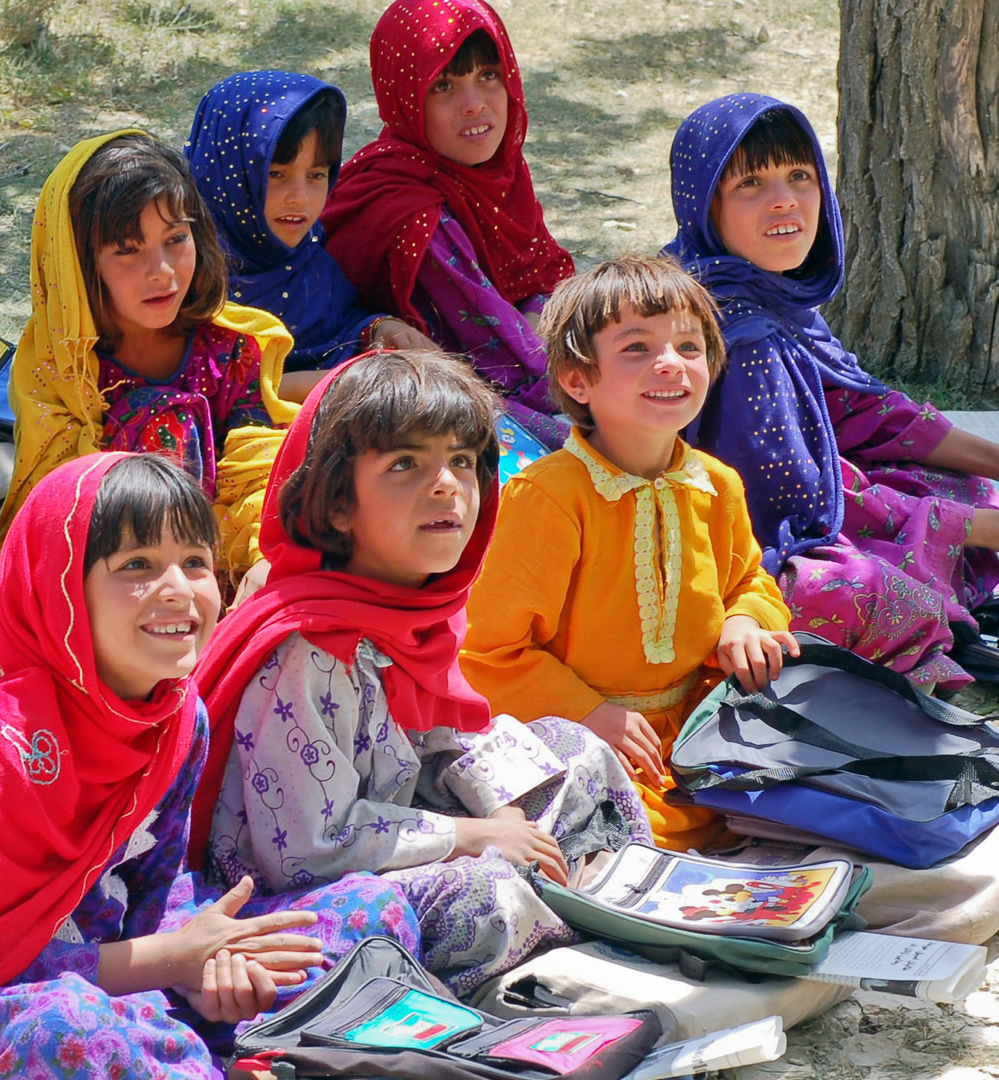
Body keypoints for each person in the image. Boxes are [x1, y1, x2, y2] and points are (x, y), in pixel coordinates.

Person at [0, 452, 419, 1078]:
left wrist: (216, 967)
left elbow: (157, 888)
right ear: (59, 591)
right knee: (66, 1034)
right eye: (136, 565)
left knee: (369, 913)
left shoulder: (180, 716)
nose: (179, 589)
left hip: (134, 961)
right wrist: (174, 961)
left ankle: (212, 1044)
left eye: (195, 562)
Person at [191, 350, 653, 995]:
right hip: (297, 889)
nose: (446, 485)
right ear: (336, 503)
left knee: (578, 754)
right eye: (405, 464)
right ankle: (554, 943)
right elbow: (303, 849)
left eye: (462, 461)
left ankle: (617, 910)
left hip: (394, 819)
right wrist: (472, 835)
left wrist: (503, 811)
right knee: (485, 892)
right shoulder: (310, 648)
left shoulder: (416, 609)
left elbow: (433, 743)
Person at [666, 94, 999, 690]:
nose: (784, 199)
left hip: (793, 500)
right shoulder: (744, 340)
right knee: (867, 592)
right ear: (704, 206)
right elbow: (793, 504)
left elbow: (863, 409)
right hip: (735, 550)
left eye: (799, 176)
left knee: (964, 481)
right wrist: (982, 529)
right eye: (750, 184)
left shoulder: (761, 291)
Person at [461, 255, 798, 851]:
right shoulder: (551, 496)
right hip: (580, 732)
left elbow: (750, 580)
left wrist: (746, 621)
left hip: (694, 726)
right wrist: (590, 713)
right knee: (595, 831)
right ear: (577, 379)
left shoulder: (717, 485)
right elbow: (490, 649)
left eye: (689, 347)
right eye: (637, 348)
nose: (671, 363)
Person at [2, 131, 297, 580]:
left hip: (217, 559)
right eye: (127, 249)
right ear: (78, 265)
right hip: (106, 570)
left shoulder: (231, 346)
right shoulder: (60, 365)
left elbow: (255, 469)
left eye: (176, 238)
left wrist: (259, 561)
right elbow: (57, 502)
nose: (161, 271)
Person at [320, 0, 574, 448]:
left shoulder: (496, 172)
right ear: (404, 97)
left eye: (488, 76)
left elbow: (544, 274)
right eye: (443, 86)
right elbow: (508, 362)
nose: (474, 105)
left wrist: (539, 311)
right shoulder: (414, 213)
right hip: (446, 410)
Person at [184, 71, 437, 401]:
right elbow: (210, 394)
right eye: (275, 174)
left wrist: (380, 329)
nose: (299, 197)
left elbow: (340, 324)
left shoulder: (308, 259)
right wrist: (340, 383)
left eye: (317, 174)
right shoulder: (188, 274)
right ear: (228, 175)